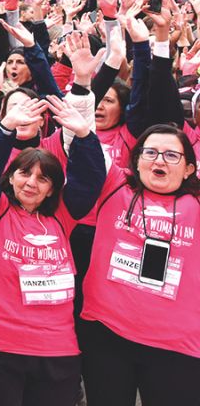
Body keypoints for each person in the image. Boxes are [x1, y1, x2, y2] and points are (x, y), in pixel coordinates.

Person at [0, 94, 107, 405]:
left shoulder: (61, 217)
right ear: (11, 177)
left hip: (56, 351)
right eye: (25, 174)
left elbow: (91, 179)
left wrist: (84, 135)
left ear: (53, 189)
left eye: (43, 179)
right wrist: (5, 127)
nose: (31, 183)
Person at [80, 124, 200, 405]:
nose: (159, 160)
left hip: (177, 347)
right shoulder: (114, 184)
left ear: (189, 169)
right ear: (136, 161)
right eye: (150, 152)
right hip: (107, 336)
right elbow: (82, 134)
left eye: (172, 155)